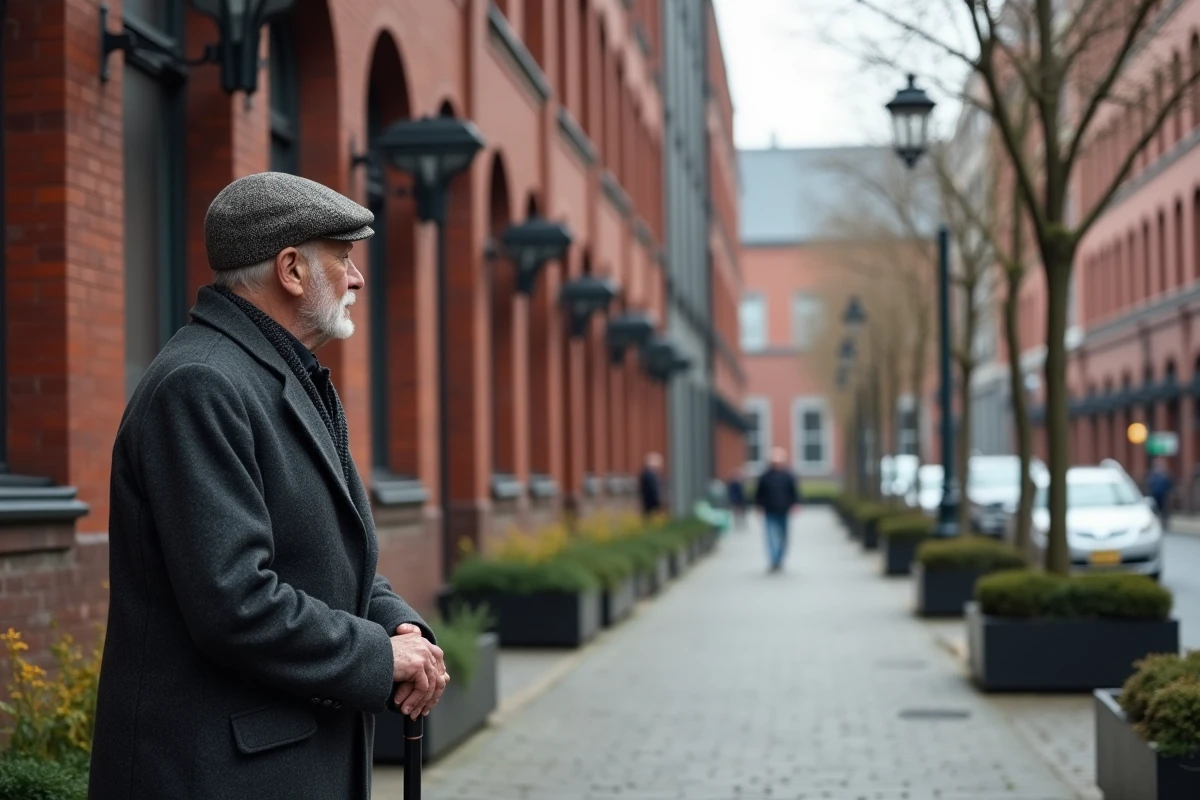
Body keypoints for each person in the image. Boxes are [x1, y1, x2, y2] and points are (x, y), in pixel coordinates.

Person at [90, 173, 447, 800]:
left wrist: (399, 626)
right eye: (343, 257)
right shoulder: (201, 384)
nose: (358, 278)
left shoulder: (277, 373)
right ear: (291, 270)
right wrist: (378, 658)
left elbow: (329, 554)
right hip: (222, 775)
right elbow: (236, 602)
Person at [752, 447, 801, 572]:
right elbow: (759, 493)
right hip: (769, 510)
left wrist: (795, 504)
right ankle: (774, 560)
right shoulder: (764, 476)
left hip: (784, 510)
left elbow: (794, 492)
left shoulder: (788, 476)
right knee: (770, 536)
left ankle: (779, 558)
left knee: (783, 536)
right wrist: (759, 506)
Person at [1147, 457, 1175, 529]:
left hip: (1163, 495)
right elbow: (1150, 484)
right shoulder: (1153, 475)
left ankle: (1165, 524)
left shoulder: (1165, 475)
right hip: (1155, 496)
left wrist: (1170, 492)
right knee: (1156, 511)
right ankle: (1157, 524)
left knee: (1164, 511)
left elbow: (1170, 484)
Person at [639, 452, 664, 518]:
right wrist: (658, 504)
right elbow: (653, 491)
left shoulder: (646, 474)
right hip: (651, 504)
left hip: (647, 503)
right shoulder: (650, 476)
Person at [726, 468, 747, 532]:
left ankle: (740, 522)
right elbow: (732, 492)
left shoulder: (739, 482)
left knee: (740, 512)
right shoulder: (734, 483)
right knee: (737, 512)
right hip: (736, 500)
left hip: (740, 500)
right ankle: (738, 522)